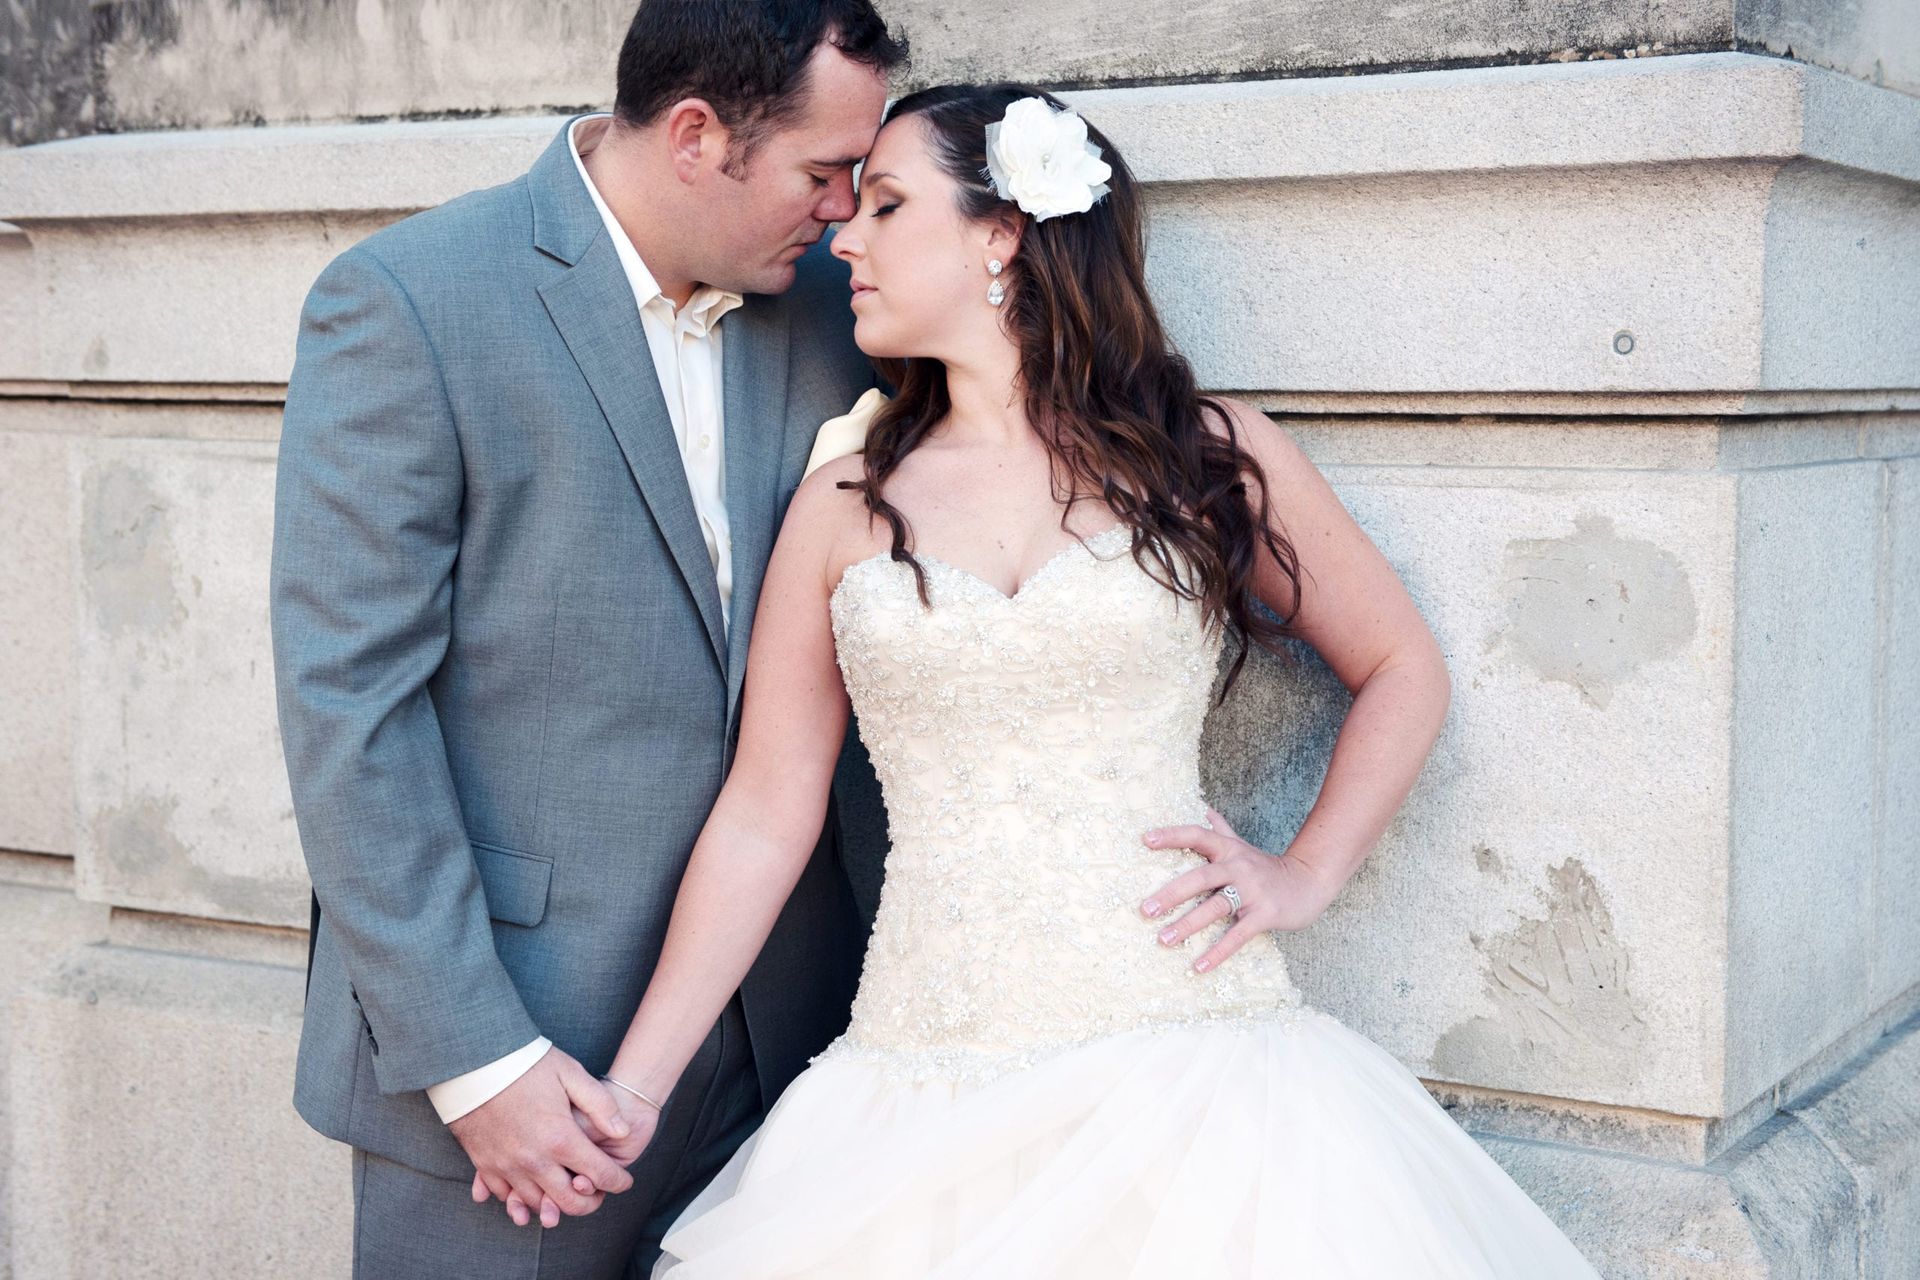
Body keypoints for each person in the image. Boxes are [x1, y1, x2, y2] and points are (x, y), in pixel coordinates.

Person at [472, 81, 1609, 1276]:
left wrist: (1305, 871)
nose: (844, 237)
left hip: (1185, 1054)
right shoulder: (844, 502)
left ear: (1003, 234)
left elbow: (1401, 665)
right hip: (924, 1067)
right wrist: (636, 1089)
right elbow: (764, 810)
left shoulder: (1207, 458)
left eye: (890, 205)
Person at [268, 3, 908, 1275]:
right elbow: (350, 709)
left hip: (798, 1042)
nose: (843, 210)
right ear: (695, 135)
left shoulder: (845, 311)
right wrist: (473, 1056)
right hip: (517, 1058)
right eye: (822, 172)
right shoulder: (409, 303)